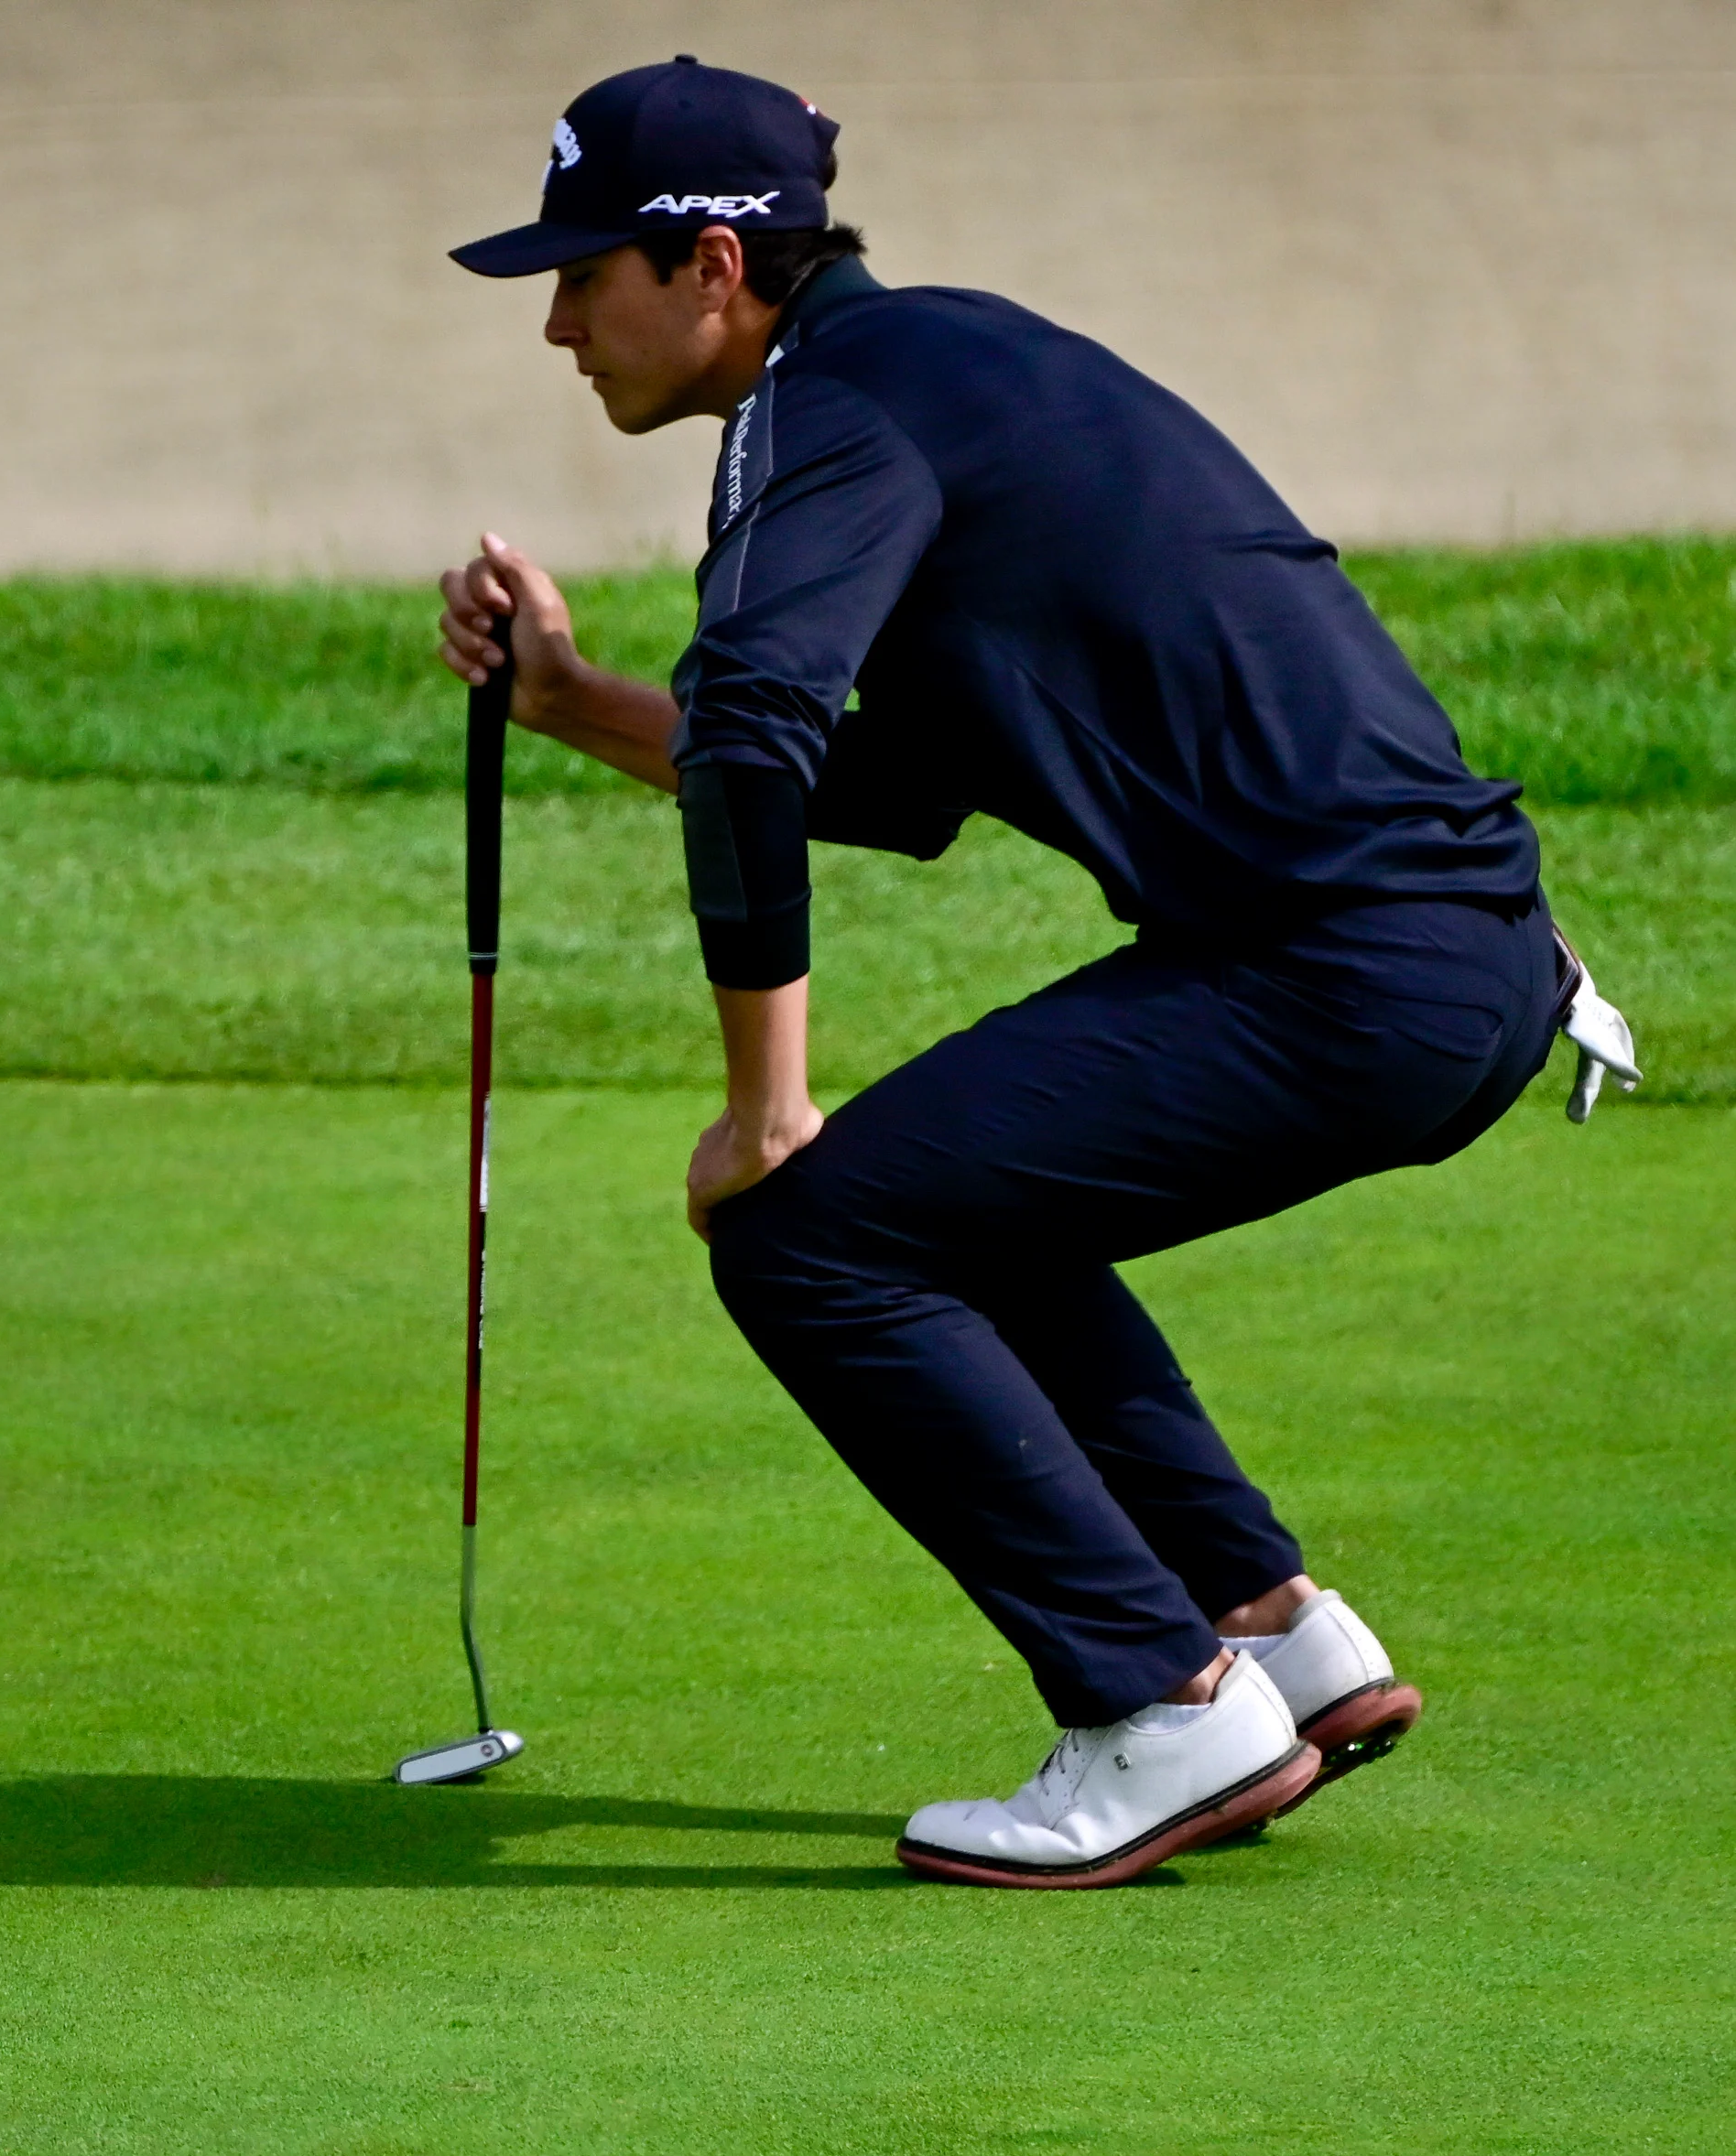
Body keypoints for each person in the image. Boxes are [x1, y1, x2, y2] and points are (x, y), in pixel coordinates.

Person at [433, 57, 1641, 1889]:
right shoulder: (935, 363)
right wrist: (570, 702)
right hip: (1444, 958)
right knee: (956, 1200)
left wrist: (764, 1115)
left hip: (1342, 972)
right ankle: (1274, 1633)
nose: (551, 324)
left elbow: (759, 742)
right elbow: (903, 781)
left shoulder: (823, 414)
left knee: (810, 1233)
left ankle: (1156, 1707)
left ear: (703, 267)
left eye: (578, 271)